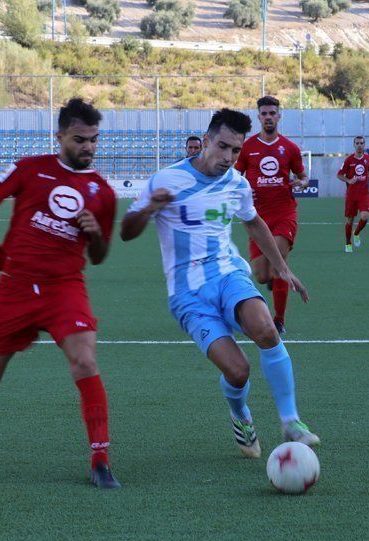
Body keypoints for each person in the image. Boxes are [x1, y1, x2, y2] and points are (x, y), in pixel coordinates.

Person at [120, 108, 320, 459]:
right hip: (187, 295)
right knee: (238, 370)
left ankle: (291, 421)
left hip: (228, 273)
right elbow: (126, 231)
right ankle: (240, 414)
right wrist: (150, 207)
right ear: (207, 140)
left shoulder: (237, 184)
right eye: (223, 147)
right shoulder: (167, 179)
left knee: (267, 330)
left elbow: (253, 222)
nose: (228, 158)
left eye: (236, 151)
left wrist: (282, 269)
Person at [0, 98, 121, 489]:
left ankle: (101, 458)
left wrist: (94, 233)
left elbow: (98, 257)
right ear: (60, 135)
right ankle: (15, 338)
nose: (89, 148)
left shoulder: (102, 192)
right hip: (14, 288)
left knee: (84, 360)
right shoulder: (30, 168)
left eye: (94, 140)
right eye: (80, 140)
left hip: (64, 288)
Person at [234, 96, 309, 335]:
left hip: (284, 212)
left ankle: (278, 320)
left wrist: (301, 183)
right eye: (264, 113)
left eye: (272, 113)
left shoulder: (290, 148)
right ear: (259, 117)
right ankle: (273, 277)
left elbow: (303, 176)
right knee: (261, 274)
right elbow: (236, 176)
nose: (268, 117)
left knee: (278, 266)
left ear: (279, 116)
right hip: (257, 218)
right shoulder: (247, 147)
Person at [336, 136, 369, 253]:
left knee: (365, 216)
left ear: (364, 145)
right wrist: (349, 181)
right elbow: (339, 175)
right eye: (357, 143)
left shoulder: (368, 158)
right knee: (350, 220)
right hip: (351, 195)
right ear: (354, 145)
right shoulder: (348, 160)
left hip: (364, 194)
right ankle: (348, 243)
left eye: (361, 143)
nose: (359, 145)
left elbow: (368, 169)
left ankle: (356, 233)